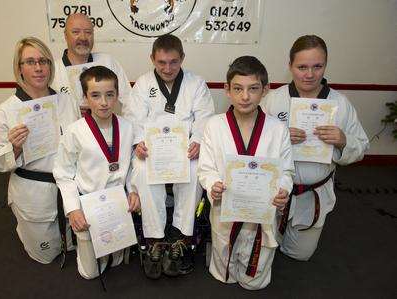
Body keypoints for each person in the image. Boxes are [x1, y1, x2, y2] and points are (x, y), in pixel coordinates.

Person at [261, 35, 369, 261]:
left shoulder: (340, 104)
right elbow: (250, 142)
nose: (309, 74)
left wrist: (343, 140)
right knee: (266, 247)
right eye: (302, 67)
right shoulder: (273, 100)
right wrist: (277, 137)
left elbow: (361, 147)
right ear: (290, 66)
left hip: (313, 194)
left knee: (299, 255)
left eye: (317, 66)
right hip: (275, 192)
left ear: (325, 65)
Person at [197, 56, 294, 290]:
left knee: (254, 282)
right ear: (227, 90)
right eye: (238, 89)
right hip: (225, 210)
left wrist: (283, 190)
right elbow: (206, 168)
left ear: (265, 90)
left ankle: (254, 273)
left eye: (253, 89)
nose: (245, 96)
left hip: (262, 212)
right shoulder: (214, 125)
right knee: (224, 273)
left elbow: (287, 170)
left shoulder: (277, 129)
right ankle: (221, 263)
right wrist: (213, 185)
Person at [124, 34, 214, 278]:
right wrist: (138, 143)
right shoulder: (143, 84)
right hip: (153, 150)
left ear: (182, 58)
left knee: (195, 169)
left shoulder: (196, 83)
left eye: (173, 62)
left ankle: (182, 236)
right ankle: (154, 237)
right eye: (161, 62)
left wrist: (197, 141)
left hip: (184, 150)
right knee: (142, 171)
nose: (167, 68)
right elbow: (133, 118)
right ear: (152, 59)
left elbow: (205, 116)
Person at [0, 37, 79, 264]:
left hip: (69, 188)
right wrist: (15, 147)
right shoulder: (7, 110)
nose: (38, 68)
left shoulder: (67, 101)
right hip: (34, 193)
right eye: (30, 62)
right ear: (20, 68)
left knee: (74, 245)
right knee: (45, 255)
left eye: (43, 61)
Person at [53, 66, 140, 279]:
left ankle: (115, 252)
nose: (104, 102)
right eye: (95, 95)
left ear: (117, 96)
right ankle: (85, 249)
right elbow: (63, 173)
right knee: (90, 273)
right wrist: (73, 209)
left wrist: (134, 191)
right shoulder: (75, 131)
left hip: (118, 202)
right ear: (84, 97)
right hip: (88, 204)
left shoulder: (128, 127)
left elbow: (131, 167)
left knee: (118, 262)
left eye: (110, 95)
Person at [51, 13, 131, 114]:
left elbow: (128, 102)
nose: (83, 37)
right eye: (76, 32)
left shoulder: (107, 62)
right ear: (66, 36)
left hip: (106, 127)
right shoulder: (52, 71)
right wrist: (72, 111)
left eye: (88, 32)